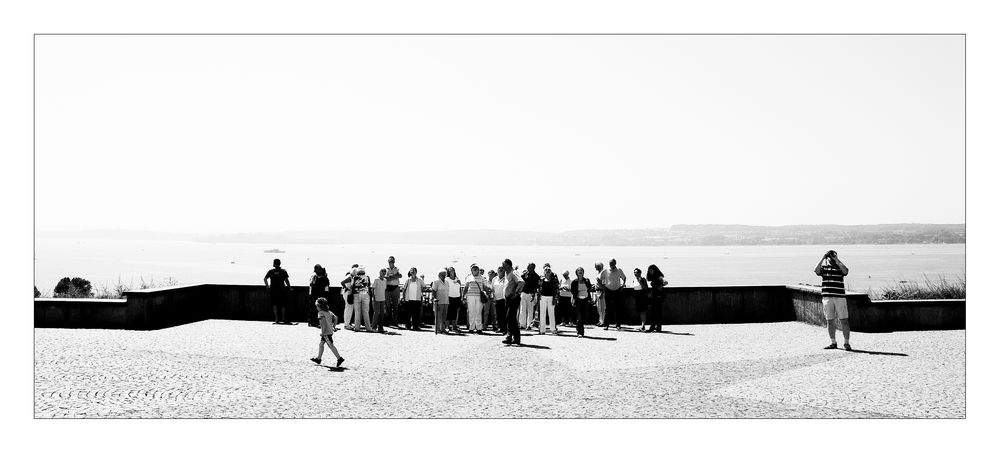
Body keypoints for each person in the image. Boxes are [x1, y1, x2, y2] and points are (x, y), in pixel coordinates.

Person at [815, 250, 852, 350]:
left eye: (833, 256)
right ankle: (833, 342)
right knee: (830, 321)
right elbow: (816, 270)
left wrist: (837, 260)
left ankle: (846, 343)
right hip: (827, 297)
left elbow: (846, 271)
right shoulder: (824, 268)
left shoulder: (840, 268)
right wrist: (823, 258)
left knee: (844, 320)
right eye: (830, 257)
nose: (831, 258)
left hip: (839, 297)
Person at [310, 297, 345, 367]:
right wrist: (333, 326)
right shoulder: (329, 312)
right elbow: (336, 318)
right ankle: (318, 358)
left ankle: (339, 358)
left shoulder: (320, 313)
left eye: (316, 306)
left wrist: (322, 332)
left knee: (330, 345)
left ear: (319, 306)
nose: (316, 307)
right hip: (330, 331)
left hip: (326, 332)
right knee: (321, 344)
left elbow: (322, 324)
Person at [502, 259, 525, 345]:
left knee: (511, 317)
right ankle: (509, 336)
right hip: (508, 298)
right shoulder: (507, 273)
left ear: (508, 265)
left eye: (504, 265)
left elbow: (521, 282)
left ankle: (516, 338)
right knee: (509, 318)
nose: (503, 267)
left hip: (513, 298)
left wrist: (516, 292)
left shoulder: (513, 272)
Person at [600, 258, 627, 330]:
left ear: (615, 263)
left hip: (617, 291)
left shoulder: (619, 270)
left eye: (613, 263)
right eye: (610, 263)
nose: (611, 264)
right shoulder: (605, 271)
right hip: (608, 291)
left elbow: (624, 278)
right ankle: (606, 325)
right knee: (608, 308)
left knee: (618, 308)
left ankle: (618, 325)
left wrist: (623, 285)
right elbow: (598, 278)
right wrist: (603, 287)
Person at [264, 258, 291, 325]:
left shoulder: (271, 271)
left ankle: (276, 319)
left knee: (274, 305)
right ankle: (283, 318)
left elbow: (265, 279)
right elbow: (286, 280)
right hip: (282, 290)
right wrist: (289, 287)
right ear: (280, 263)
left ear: (274, 264)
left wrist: (267, 286)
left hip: (273, 290)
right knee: (283, 305)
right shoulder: (283, 271)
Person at [570, 267, 594, 337]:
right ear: (576, 273)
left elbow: (589, 289)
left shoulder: (587, 280)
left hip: (586, 299)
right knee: (579, 316)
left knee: (585, 315)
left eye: (581, 271)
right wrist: (574, 299)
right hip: (578, 300)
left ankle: (578, 326)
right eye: (578, 271)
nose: (580, 272)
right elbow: (572, 290)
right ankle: (580, 332)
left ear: (583, 272)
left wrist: (590, 298)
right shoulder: (574, 281)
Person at [464, 264, 488, 334]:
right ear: (471, 270)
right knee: (471, 312)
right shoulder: (468, 277)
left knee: (478, 312)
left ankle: (479, 328)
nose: (475, 270)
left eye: (476, 269)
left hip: (479, 296)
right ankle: (471, 328)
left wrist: (489, 295)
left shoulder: (482, 278)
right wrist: (463, 296)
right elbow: (466, 287)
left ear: (478, 270)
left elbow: (485, 287)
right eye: (473, 269)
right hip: (470, 295)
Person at [537, 264, 560, 334]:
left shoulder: (554, 279)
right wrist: (538, 297)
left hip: (551, 297)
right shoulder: (541, 279)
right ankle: (542, 330)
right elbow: (538, 288)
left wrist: (556, 298)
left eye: (549, 270)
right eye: (546, 270)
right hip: (542, 297)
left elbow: (557, 289)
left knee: (551, 314)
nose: (547, 271)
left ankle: (553, 329)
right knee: (542, 314)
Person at [350, 266, 374, 332]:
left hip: (357, 295)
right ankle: (368, 327)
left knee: (357, 312)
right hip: (365, 295)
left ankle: (357, 327)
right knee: (366, 312)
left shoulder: (355, 277)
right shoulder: (367, 277)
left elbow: (352, 286)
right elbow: (369, 286)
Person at [519, 263, 541, 329]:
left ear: (533, 268)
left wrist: (534, 295)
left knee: (530, 310)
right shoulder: (524, 275)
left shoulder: (536, 276)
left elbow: (537, 286)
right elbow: (520, 280)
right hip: (523, 293)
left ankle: (529, 324)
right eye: (528, 267)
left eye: (529, 267)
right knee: (522, 309)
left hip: (531, 294)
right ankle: (522, 324)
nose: (528, 268)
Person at [646, 264, 667, 333]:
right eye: (649, 271)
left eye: (651, 270)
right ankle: (656, 327)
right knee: (655, 312)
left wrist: (660, 286)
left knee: (656, 312)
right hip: (655, 296)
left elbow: (665, 282)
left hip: (658, 296)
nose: (650, 272)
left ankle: (655, 327)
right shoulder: (653, 277)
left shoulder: (658, 276)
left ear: (655, 270)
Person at [339, 264, 359, 330]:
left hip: (348, 293)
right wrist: (347, 288)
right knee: (348, 308)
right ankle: (346, 324)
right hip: (347, 293)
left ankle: (347, 323)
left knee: (348, 308)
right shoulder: (349, 277)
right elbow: (342, 282)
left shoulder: (351, 276)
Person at [385, 256, 403, 327]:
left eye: (392, 261)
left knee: (396, 306)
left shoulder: (397, 269)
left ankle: (395, 322)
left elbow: (400, 275)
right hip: (387, 289)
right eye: (390, 261)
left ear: (394, 262)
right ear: (388, 262)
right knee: (387, 306)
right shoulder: (385, 269)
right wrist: (395, 276)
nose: (391, 262)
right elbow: (385, 278)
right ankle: (387, 321)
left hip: (395, 288)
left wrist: (390, 277)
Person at [431, 269, 450, 334]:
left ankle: (443, 329)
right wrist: (434, 299)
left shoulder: (447, 282)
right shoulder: (436, 282)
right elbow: (433, 291)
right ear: (439, 275)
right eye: (442, 275)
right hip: (439, 301)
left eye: (444, 275)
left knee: (444, 316)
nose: (443, 276)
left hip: (446, 301)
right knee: (438, 316)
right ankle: (437, 329)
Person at [445, 267, 463, 332]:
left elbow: (460, 289)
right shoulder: (447, 279)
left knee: (455, 313)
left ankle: (454, 326)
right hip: (449, 297)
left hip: (457, 297)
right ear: (448, 272)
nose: (451, 271)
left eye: (452, 270)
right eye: (450, 270)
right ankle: (447, 326)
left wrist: (461, 297)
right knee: (448, 312)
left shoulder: (457, 279)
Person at [491, 267, 508, 334]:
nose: (500, 271)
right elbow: (492, 288)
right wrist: (493, 297)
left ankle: (505, 329)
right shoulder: (494, 279)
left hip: (504, 299)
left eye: (502, 270)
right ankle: (500, 328)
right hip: (497, 299)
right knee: (498, 314)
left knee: (504, 314)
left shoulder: (506, 279)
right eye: (499, 270)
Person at [372, 268, 388, 333]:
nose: (383, 273)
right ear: (379, 272)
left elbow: (384, 289)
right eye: (382, 271)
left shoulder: (385, 280)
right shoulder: (376, 280)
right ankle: (374, 327)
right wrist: (374, 298)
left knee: (382, 314)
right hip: (377, 299)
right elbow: (372, 289)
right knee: (376, 313)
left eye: (385, 271)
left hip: (382, 299)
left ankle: (380, 328)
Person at [593, 261, 606, 327]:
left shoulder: (602, 274)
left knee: (602, 307)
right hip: (598, 291)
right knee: (598, 307)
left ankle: (602, 321)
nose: (595, 267)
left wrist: (602, 292)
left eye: (596, 266)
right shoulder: (600, 273)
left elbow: (604, 285)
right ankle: (600, 320)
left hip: (601, 291)